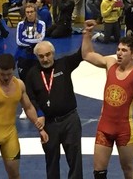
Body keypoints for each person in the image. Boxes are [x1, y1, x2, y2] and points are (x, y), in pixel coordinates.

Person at [82, 20, 133, 179]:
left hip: (124, 130)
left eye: (124, 50)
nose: (119, 53)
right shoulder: (110, 64)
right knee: (98, 172)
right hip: (104, 127)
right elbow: (87, 55)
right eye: (118, 49)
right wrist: (87, 34)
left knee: (128, 170)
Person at [0, 53, 48, 179]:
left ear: (13, 70)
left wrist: (40, 128)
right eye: (3, 74)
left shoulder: (19, 85)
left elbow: (28, 107)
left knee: (14, 174)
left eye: (9, 74)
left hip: (9, 135)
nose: (6, 78)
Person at [26, 40, 83, 178]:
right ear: (37, 57)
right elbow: (30, 99)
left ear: (53, 53)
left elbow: (82, 54)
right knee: (51, 160)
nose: (45, 59)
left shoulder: (64, 64)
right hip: (49, 124)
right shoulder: (32, 74)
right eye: (41, 56)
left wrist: (87, 34)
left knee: (75, 159)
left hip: (70, 120)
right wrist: (39, 115)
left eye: (48, 54)